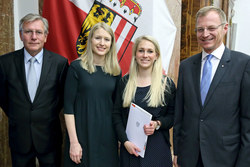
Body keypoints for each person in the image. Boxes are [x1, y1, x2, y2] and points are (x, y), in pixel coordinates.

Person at [173, 6, 250, 167]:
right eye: (200, 29)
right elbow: (180, 112)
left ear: (225, 28)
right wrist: (177, 152)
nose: (205, 34)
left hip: (225, 158)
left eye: (211, 28)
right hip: (189, 157)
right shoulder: (186, 66)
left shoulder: (243, 64)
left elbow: (247, 120)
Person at [0, 13, 68, 167]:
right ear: (20, 35)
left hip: (49, 137)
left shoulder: (60, 64)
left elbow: (62, 98)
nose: (33, 37)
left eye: (38, 32)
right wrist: (19, 114)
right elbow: (3, 97)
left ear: (46, 36)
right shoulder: (5, 63)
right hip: (19, 137)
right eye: (28, 31)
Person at [63, 22, 121, 167]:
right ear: (90, 40)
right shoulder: (76, 67)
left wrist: (121, 137)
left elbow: (117, 108)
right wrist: (74, 142)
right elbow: (68, 108)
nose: (102, 43)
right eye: (98, 38)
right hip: (82, 135)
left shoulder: (115, 71)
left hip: (108, 137)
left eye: (107, 39)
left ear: (111, 43)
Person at [113, 35, 176, 167]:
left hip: (158, 149)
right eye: (141, 50)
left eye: (150, 51)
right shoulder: (125, 82)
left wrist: (158, 124)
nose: (145, 55)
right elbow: (116, 115)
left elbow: (173, 116)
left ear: (157, 55)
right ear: (135, 54)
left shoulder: (167, 84)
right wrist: (125, 142)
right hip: (131, 149)